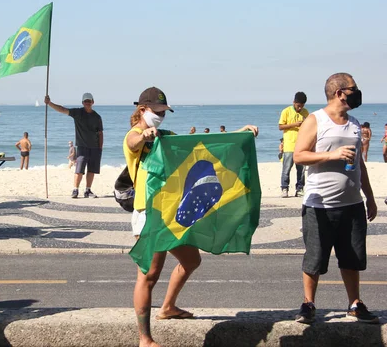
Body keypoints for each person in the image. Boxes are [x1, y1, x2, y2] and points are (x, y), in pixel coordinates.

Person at [125, 87, 259, 346]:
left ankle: (168, 307)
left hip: (170, 210)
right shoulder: (133, 135)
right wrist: (144, 135)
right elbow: (132, 143)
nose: (161, 117)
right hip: (148, 212)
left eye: (164, 112)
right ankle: (145, 339)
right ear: (142, 110)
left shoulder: (166, 135)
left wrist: (238, 134)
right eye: (157, 111)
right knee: (149, 274)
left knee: (191, 260)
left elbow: (197, 148)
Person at [293, 73, 378, 324]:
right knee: (315, 258)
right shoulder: (315, 119)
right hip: (319, 204)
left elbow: (359, 164)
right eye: (354, 88)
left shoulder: (353, 122)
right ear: (340, 92)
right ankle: (308, 304)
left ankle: (354, 303)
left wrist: (369, 197)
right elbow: (299, 156)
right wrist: (333, 155)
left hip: (352, 204)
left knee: (351, 257)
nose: (358, 92)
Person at [44, 93, 103, 198]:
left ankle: (88, 190)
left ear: (93, 102)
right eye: (85, 101)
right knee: (79, 169)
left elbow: (100, 133)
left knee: (92, 170)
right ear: (82, 103)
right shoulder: (78, 113)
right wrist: (50, 103)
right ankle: (75, 189)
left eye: (89, 101)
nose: (87, 103)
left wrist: (100, 148)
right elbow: (62, 109)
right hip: (82, 146)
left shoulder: (97, 117)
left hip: (95, 147)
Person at [279, 91, 309, 198]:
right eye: (298, 106)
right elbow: (281, 126)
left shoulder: (306, 112)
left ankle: (300, 189)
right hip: (289, 145)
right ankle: (284, 188)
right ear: (294, 102)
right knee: (286, 169)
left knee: (301, 170)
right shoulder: (286, 111)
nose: (300, 108)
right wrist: (294, 124)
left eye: (302, 106)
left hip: (301, 145)